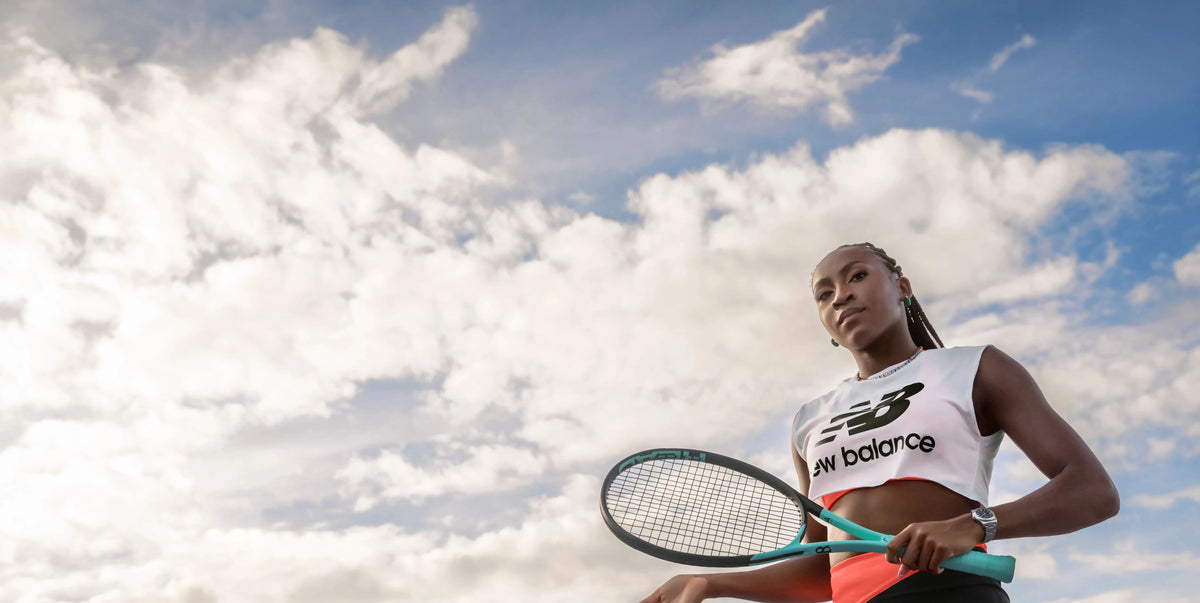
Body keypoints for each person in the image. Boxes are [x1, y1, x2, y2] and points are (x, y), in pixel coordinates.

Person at [640, 242, 1119, 603]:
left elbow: (1093, 492)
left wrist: (973, 526)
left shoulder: (975, 369)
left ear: (902, 288)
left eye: (857, 277)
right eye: (824, 295)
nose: (840, 296)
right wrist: (709, 583)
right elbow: (818, 572)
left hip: (947, 593)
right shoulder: (810, 420)